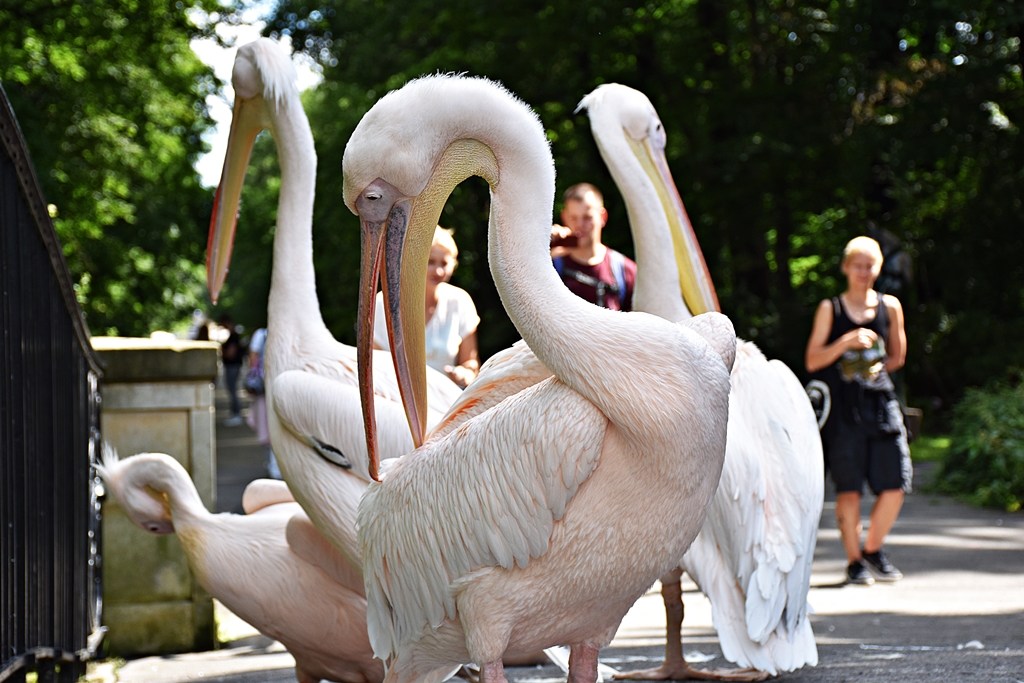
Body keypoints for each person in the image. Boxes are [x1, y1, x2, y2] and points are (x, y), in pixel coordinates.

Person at [805, 236, 910, 586]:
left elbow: (897, 357)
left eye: (871, 265)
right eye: (858, 265)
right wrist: (845, 342)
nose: (864, 272)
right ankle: (854, 562)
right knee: (848, 489)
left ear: (878, 268)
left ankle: (873, 549)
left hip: (880, 404)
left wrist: (881, 368)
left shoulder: (890, 306)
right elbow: (813, 360)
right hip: (842, 410)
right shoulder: (830, 309)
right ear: (846, 267)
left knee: (895, 484)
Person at [373, 226, 480, 388]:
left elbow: (471, 364)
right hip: (394, 401)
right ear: (414, 261)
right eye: (430, 262)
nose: (438, 270)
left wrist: (464, 375)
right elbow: (373, 366)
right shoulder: (383, 304)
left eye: (444, 263)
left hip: (447, 403)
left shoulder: (460, 301)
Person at [550, 182, 637, 311]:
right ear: (564, 217)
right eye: (573, 218)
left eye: (587, 217)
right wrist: (540, 251)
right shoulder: (551, 265)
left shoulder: (625, 271)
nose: (580, 224)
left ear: (603, 217)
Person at [246, 327, 280, 479]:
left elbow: (253, 357)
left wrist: (253, 376)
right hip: (275, 385)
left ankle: (274, 466)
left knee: (268, 424)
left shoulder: (261, 334)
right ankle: (275, 465)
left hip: (266, 385)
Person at [218, 314, 245, 427]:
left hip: (233, 366)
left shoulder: (233, 337)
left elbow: (231, 353)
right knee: (232, 390)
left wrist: (223, 351)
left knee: (232, 390)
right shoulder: (233, 336)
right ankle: (235, 414)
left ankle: (236, 414)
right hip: (233, 365)